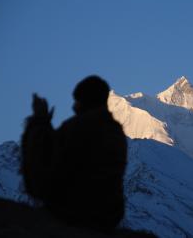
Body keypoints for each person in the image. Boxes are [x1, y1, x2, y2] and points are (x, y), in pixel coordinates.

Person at [21, 75, 127, 232]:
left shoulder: (76, 128)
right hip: (109, 214)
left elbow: (49, 169)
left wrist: (39, 122)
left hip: (74, 211)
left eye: (78, 101)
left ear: (85, 102)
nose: (73, 107)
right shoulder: (117, 132)